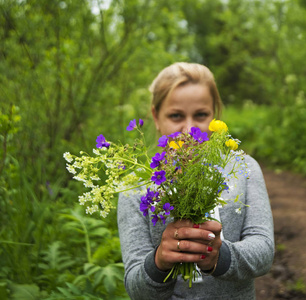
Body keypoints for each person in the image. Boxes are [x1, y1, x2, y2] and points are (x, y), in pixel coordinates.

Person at [117, 62, 274, 299]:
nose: (189, 129)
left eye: (201, 115)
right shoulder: (135, 185)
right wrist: (159, 261)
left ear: (215, 115)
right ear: (155, 116)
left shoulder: (243, 168)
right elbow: (136, 287)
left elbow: (263, 251)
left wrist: (220, 257)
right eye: (176, 116)